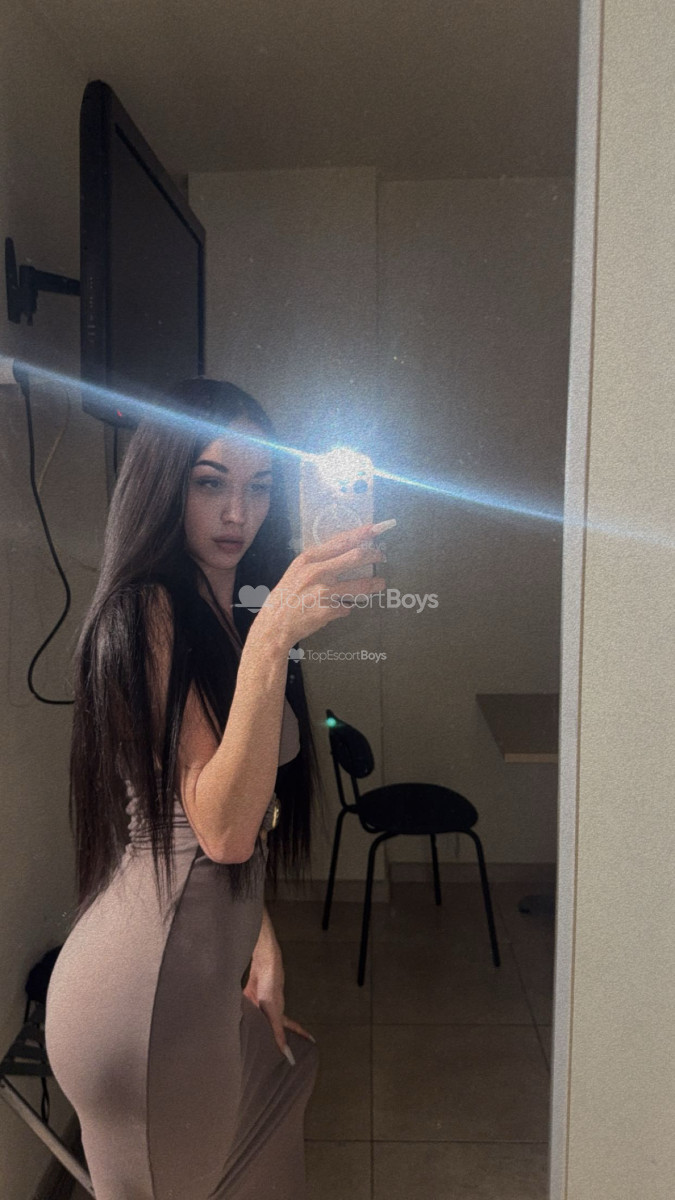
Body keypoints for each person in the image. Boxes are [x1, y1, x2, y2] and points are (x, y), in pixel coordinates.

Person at [44, 377, 388, 1199]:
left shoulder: (221, 611)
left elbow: (243, 821)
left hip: (198, 969)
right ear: (164, 484)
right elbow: (221, 832)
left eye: (259, 486)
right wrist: (273, 638)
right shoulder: (145, 612)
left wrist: (258, 943)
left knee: (288, 1072)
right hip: (141, 996)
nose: (238, 512)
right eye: (210, 483)